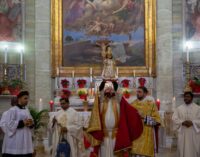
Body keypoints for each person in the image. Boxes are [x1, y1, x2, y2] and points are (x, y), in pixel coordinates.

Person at [85, 80, 143, 157]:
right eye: (107, 88)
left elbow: (118, 92)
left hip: (115, 135)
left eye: (111, 88)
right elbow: (101, 91)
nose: (109, 90)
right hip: (104, 135)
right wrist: (104, 81)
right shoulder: (101, 101)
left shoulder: (118, 101)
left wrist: (113, 81)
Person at [0, 91, 34, 157]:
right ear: (19, 99)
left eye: (27, 99)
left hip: (25, 141)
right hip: (15, 140)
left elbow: (31, 121)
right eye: (25, 98)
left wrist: (31, 123)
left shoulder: (27, 110)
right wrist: (22, 122)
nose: (27, 100)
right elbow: (9, 124)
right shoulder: (12, 110)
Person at [130, 86, 161, 157]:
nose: (137, 93)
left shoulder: (151, 105)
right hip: (136, 136)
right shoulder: (132, 104)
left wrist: (144, 117)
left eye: (140, 92)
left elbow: (157, 121)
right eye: (137, 92)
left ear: (145, 93)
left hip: (147, 136)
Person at [172, 91, 200, 157]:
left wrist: (192, 122)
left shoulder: (198, 108)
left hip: (194, 132)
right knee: (182, 148)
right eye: (185, 97)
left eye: (188, 97)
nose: (186, 98)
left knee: (194, 149)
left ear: (192, 98)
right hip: (183, 131)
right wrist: (182, 122)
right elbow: (174, 119)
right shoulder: (179, 108)